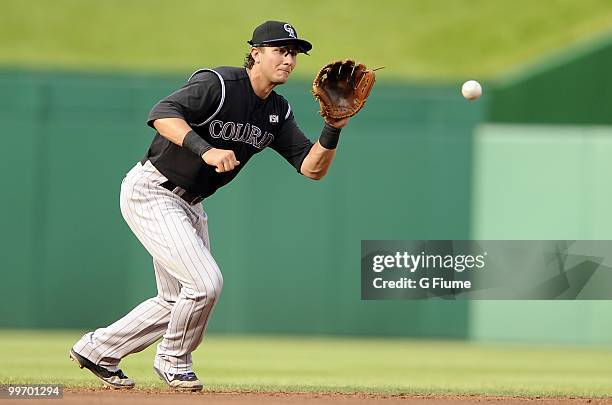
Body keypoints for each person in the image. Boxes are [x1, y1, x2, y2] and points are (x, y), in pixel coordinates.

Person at [69, 20, 348, 391]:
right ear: (255, 53)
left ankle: (98, 349)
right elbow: (161, 113)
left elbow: (311, 168)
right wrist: (207, 149)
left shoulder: (277, 111)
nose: (289, 59)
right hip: (153, 190)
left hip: (191, 204)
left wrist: (334, 127)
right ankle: (173, 359)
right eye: (281, 50)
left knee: (175, 299)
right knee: (204, 283)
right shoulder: (218, 84)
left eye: (294, 52)